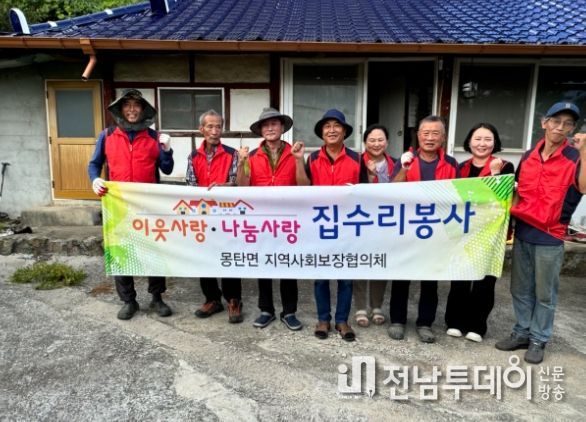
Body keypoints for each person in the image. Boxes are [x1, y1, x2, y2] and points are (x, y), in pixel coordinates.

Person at [495, 102, 586, 364]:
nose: (560, 127)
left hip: (550, 235)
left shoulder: (575, 157)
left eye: (568, 123)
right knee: (520, 288)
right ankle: (522, 332)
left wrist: (584, 151)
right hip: (524, 230)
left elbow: (583, 187)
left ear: (572, 129)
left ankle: (538, 338)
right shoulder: (528, 156)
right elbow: (517, 191)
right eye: (556, 121)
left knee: (545, 293)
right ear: (544, 123)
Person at [88, 89, 174, 320]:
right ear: (120, 109)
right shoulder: (107, 135)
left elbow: (167, 169)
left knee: (153, 251)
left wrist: (167, 150)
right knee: (121, 252)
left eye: (136, 105)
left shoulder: (154, 137)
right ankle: (129, 301)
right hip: (119, 205)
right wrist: (95, 179)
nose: (132, 110)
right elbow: (94, 164)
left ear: (143, 110)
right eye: (127, 105)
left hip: (148, 205)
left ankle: (157, 298)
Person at [293, 109, 367, 342]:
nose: (332, 130)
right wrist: (298, 160)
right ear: (322, 133)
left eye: (337, 126)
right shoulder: (313, 158)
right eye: (327, 126)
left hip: (348, 226)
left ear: (344, 131)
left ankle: (342, 320)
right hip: (320, 225)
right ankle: (323, 319)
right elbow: (303, 187)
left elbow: (367, 193)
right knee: (321, 275)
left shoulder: (357, 159)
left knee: (345, 277)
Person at [389, 115, 459, 343]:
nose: (430, 138)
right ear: (418, 136)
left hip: (436, 232)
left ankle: (425, 323)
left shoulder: (451, 164)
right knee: (401, 277)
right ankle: (397, 320)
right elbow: (391, 191)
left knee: (430, 280)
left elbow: (458, 198)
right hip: (407, 229)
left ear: (443, 137)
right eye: (425, 133)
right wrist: (404, 169)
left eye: (435, 133)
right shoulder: (406, 159)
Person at [444, 123, 514, 343]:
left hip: (491, 232)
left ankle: (477, 325)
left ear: (495, 143)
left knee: (485, 279)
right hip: (465, 230)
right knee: (460, 277)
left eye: (487, 139)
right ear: (469, 141)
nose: (482, 144)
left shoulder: (505, 166)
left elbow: (504, 199)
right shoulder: (461, 168)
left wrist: (495, 174)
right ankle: (455, 321)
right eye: (477, 139)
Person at [236, 107, 302, 331]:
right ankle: (266, 310)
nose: (270, 128)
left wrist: (299, 161)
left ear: (282, 127)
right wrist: (241, 162)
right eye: (265, 125)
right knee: (263, 264)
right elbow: (242, 186)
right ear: (261, 130)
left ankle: (289, 311)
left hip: (288, 219)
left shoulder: (294, 153)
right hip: (261, 219)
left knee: (288, 264)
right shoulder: (252, 156)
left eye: (274, 124)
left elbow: (304, 185)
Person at [186, 109, 243, 324]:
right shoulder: (193, 156)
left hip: (227, 214)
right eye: (210, 126)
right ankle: (212, 299)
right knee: (205, 256)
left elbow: (236, 183)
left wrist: (224, 186)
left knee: (228, 256)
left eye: (218, 126)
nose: (214, 130)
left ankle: (233, 300)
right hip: (203, 215)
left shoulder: (232, 154)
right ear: (201, 129)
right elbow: (190, 185)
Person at [353, 124, 395, 328]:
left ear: (387, 142)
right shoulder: (355, 162)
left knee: (380, 262)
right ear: (365, 142)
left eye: (380, 140)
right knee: (360, 262)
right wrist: (369, 176)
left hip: (386, 222)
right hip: (360, 220)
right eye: (372, 140)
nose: (376, 144)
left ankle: (376, 305)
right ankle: (361, 307)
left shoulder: (397, 164)